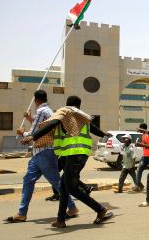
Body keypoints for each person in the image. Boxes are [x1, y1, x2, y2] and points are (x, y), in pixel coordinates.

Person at [22, 96, 113, 228]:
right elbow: (94, 129)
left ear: (67, 105)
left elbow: (52, 124)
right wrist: (104, 134)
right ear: (79, 105)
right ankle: (60, 220)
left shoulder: (65, 113)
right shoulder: (82, 117)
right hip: (75, 155)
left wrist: (33, 136)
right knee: (64, 188)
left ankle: (100, 210)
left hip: (75, 154)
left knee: (71, 188)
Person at [5, 90, 78, 223]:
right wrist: (29, 119)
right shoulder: (49, 111)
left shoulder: (41, 111)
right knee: (28, 180)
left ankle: (72, 207)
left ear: (35, 100)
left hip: (44, 152)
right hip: (40, 152)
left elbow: (33, 133)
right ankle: (22, 213)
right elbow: (42, 126)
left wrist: (22, 133)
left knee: (56, 182)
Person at [135, 123, 149, 191]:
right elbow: (144, 145)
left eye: (139, 128)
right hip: (145, 156)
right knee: (139, 170)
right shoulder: (143, 135)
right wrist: (140, 145)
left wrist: (140, 145)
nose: (138, 130)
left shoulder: (148, 135)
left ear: (142, 128)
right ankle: (138, 186)